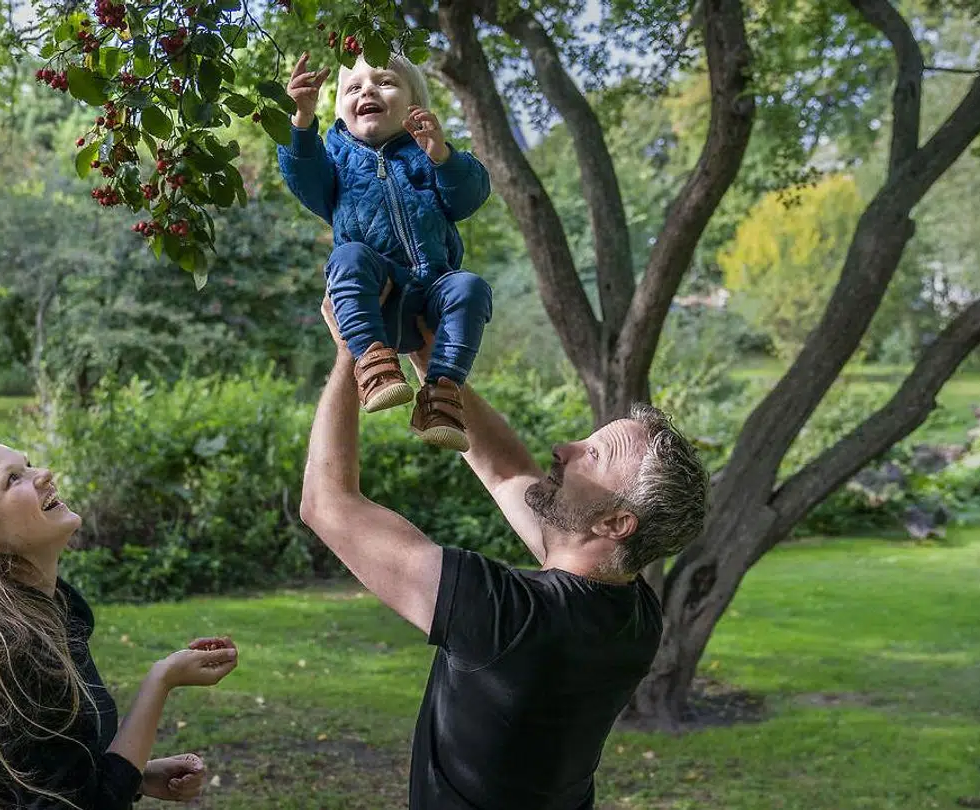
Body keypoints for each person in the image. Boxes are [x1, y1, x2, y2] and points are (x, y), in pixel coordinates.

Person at [298, 304, 709, 809]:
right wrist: (430, 357)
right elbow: (506, 471)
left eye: (593, 456)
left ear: (615, 524)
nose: (564, 448)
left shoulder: (508, 620)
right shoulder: (634, 615)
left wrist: (351, 348)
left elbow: (327, 504)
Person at [0, 438, 240, 810]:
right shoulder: (12, 649)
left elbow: (50, 779)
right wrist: (161, 680)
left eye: (30, 464)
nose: (44, 475)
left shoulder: (54, 612)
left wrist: (136, 776)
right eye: (13, 479)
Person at [278, 50, 493, 452]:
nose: (368, 91)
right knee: (347, 258)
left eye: (385, 82)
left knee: (471, 287)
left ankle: (441, 397)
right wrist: (303, 121)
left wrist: (443, 156)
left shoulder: (429, 154)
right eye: (353, 87)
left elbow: (469, 196)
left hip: (433, 298)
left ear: (416, 105)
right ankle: (375, 366)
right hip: (376, 302)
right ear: (340, 110)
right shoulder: (334, 160)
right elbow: (301, 175)